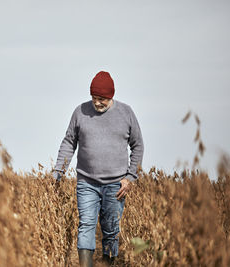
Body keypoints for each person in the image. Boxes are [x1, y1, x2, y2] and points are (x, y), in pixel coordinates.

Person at [52, 71, 144, 266]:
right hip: (86, 182)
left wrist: (130, 177)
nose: (97, 103)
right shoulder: (80, 112)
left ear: (111, 96)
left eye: (102, 99)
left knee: (111, 230)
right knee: (86, 226)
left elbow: (138, 146)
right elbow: (69, 142)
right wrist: (58, 171)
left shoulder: (126, 113)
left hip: (116, 185)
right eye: (94, 98)